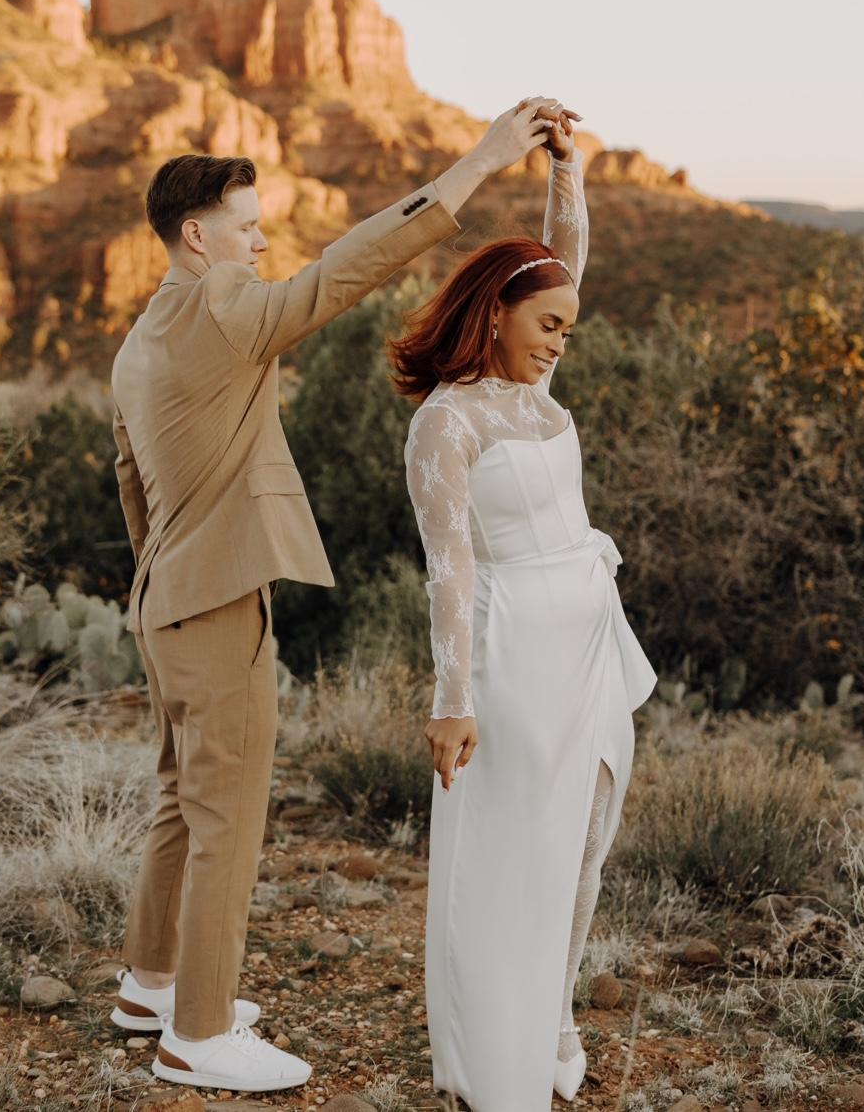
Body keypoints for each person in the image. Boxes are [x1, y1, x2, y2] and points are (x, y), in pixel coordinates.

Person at [108, 96, 568, 1094]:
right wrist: (479, 163)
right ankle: (197, 1033)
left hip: (163, 597)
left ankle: (150, 985)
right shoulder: (223, 304)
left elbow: (129, 481)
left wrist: (162, 580)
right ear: (198, 236)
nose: (259, 241)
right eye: (244, 225)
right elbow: (339, 274)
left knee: (182, 799)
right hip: (214, 602)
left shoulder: (142, 335)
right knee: (227, 816)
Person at [390, 110, 658, 1110]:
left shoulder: (534, 390)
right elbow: (449, 568)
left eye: (567, 330)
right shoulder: (446, 421)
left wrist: (566, 171)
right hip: (511, 652)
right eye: (546, 325)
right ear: (495, 313)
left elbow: (561, 266)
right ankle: (493, 1043)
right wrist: (451, 697)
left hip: (588, 632)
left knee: (586, 833)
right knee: (513, 849)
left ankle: (554, 1012)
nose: (558, 342)